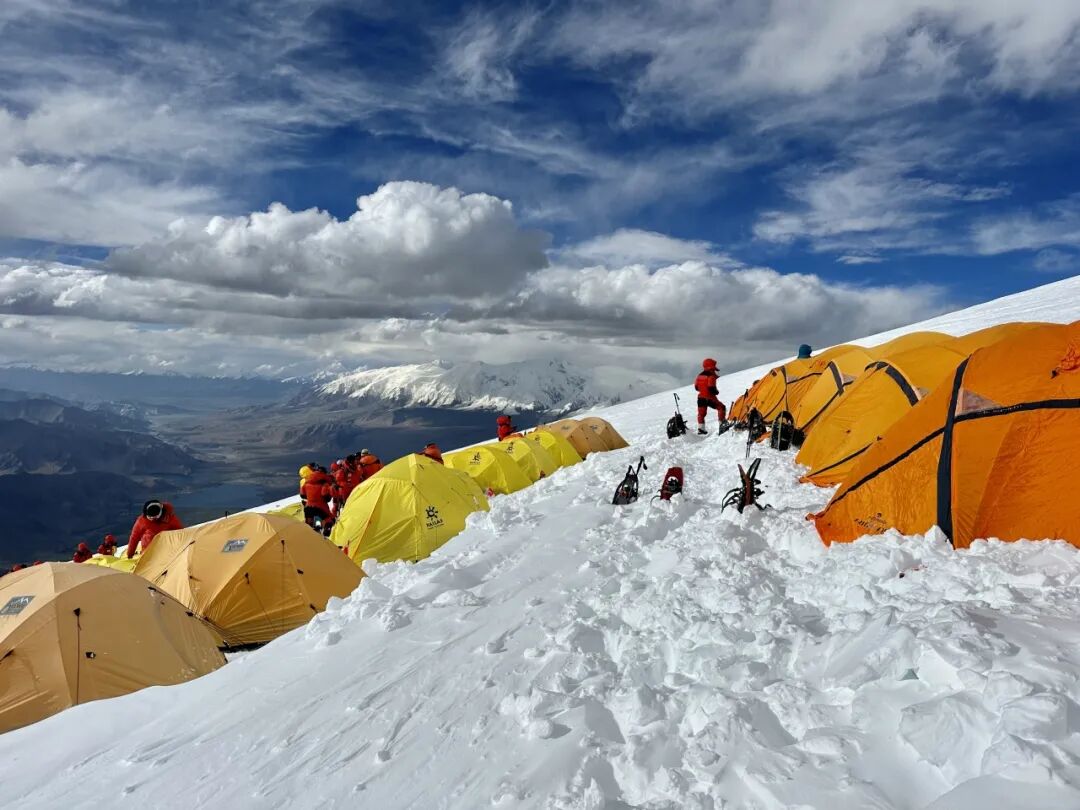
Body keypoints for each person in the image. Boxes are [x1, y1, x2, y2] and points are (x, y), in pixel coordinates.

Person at [694, 358, 727, 435]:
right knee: (721, 407)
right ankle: (722, 425)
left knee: (701, 413)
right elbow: (711, 388)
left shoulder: (699, 376)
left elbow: (696, 387)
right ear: (711, 366)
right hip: (709, 397)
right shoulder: (711, 376)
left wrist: (702, 390)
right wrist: (716, 392)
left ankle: (701, 429)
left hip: (700, 397)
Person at [300, 465, 334, 529]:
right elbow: (326, 496)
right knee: (328, 519)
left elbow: (302, 495)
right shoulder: (324, 484)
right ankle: (327, 531)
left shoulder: (306, 482)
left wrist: (310, 497)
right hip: (321, 507)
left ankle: (308, 533)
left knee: (308, 522)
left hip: (308, 506)